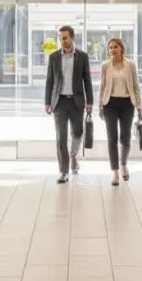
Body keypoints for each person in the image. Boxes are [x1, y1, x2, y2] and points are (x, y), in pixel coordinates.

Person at [44, 25, 93, 184]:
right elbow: (49, 81)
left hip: (77, 101)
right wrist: (47, 102)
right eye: (60, 38)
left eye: (65, 38)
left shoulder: (83, 57)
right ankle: (64, 171)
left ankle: (73, 156)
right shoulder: (54, 57)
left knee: (78, 133)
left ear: (72, 37)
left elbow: (87, 80)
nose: (62, 41)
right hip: (59, 102)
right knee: (61, 138)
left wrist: (90, 101)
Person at [98, 38, 142, 186]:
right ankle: (115, 171)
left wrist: (139, 108)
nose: (112, 50)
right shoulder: (105, 66)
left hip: (127, 104)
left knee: (125, 137)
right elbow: (102, 87)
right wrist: (100, 106)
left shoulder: (130, 65)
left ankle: (123, 164)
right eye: (110, 48)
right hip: (110, 104)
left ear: (121, 48)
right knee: (112, 138)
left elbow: (136, 87)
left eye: (115, 47)